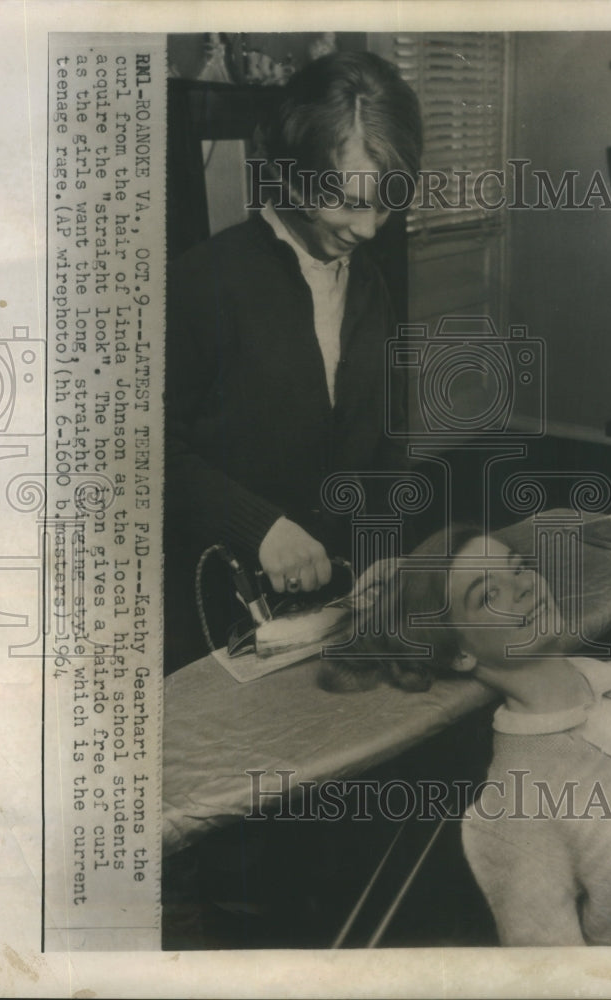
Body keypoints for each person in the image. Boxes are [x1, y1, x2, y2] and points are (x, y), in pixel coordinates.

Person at [319, 523, 611, 947]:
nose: (521, 587)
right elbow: (550, 978)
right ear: (461, 653)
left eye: (518, 567)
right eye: (487, 594)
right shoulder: (510, 806)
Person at [164, 51, 423, 670]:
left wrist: (386, 545)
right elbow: (139, 449)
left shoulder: (370, 283)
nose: (368, 229)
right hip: (221, 614)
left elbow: (387, 436)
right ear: (293, 178)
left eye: (385, 204)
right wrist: (261, 527)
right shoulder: (203, 282)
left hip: (339, 609)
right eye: (349, 203)